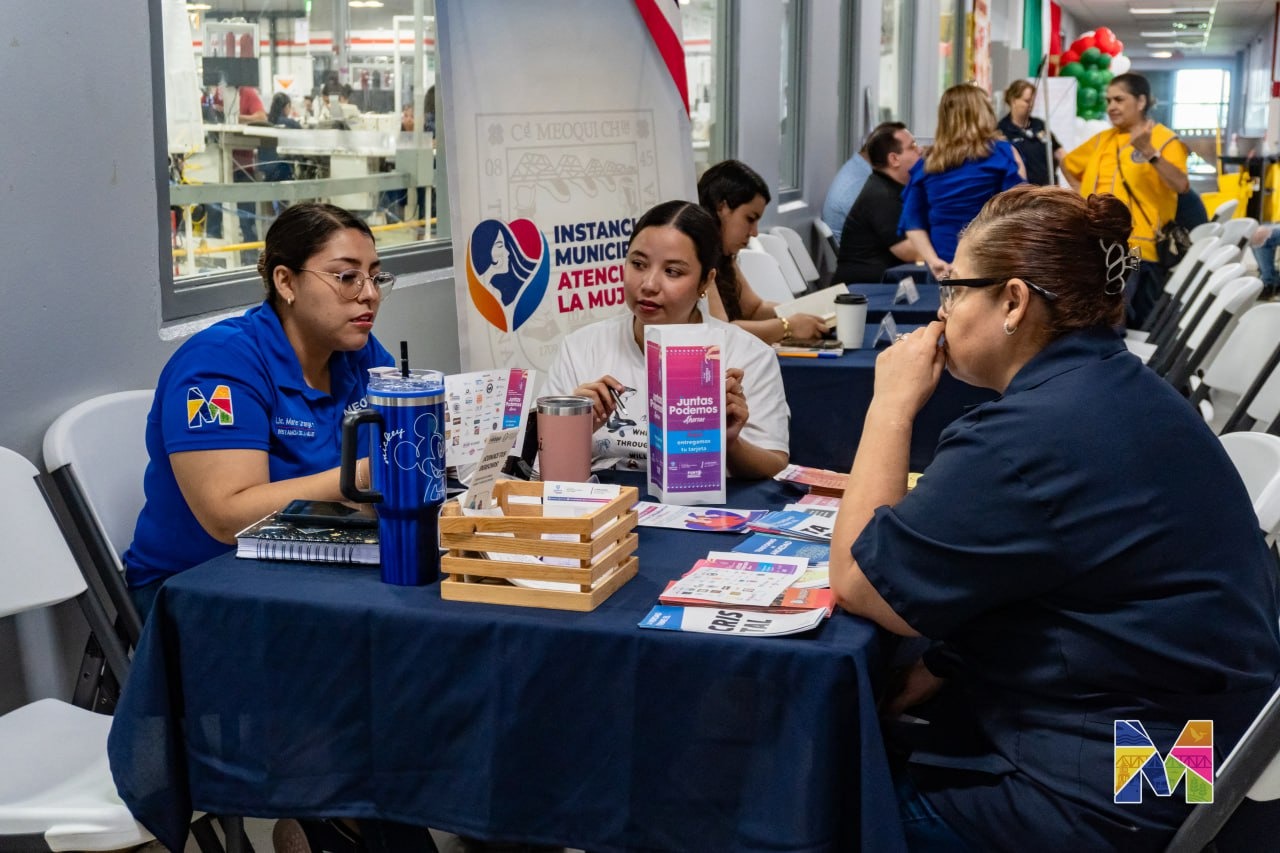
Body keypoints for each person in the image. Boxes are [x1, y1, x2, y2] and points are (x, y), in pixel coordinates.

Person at [828, 185, 1280, 851]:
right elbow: (1071, 572)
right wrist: (946, 662)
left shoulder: (1031, 434)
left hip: (1127, 787)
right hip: (1203, 756)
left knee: (834, 801)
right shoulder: (1119, 388)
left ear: (1012, 300)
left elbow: (859, 577)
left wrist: (890, 405)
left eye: (955, 288)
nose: (944, 309)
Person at [122, 203, 396, 620]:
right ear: (285, 281)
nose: (369, 294)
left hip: (312, 558)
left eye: (375, 277)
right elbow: (227, 518)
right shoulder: (218, 364)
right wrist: (363, 476)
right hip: (200, 587)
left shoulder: (356, 354)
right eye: (347, 277)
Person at [544, 199, 790, 478]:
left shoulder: (748, 355)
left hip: (706, 513)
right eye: (638, 264)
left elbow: (774, 462)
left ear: (705, 282)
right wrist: (574, 428)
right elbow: (539, 467)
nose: (648, 285)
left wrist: (729, 441)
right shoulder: (581, 348)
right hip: (605, 512)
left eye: (672, 271)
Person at [1062, 72, 1189, 327]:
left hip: (1135, 247)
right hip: (1096, 243)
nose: (1111, 107)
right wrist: (1080, 194)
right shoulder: (1103, 140)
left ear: (1141, 101)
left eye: (1119, 100)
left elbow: (1181, 185)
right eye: (1108, 101)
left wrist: (1149, 152)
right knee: (1093, 316)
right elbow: (1068, 163)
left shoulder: (1163, 139)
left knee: (1113, 320)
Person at [900, 84, 1026, 280]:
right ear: (983, 113)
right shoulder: (1002, 155)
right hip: (989, 262)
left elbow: (913, 223)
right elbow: (1020, 212)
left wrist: (933, 261)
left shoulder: (926, 164)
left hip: (943, 267)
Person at [697, 160, 828, 344]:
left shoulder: (724, 256)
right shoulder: (697, 255)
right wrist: (787, 326)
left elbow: (755, 309)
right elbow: (721, 330)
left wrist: (809, 312)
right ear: (722, 207)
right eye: (750, 219)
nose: (754, 232)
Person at [834, 122, 923, 283]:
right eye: (913, 147)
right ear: (894, 159)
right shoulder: (881, 195)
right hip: (862, 291)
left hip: (884, 282)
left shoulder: (890, 187)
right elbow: (911, 251)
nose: (920, 151)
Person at [997, 79, 1063, 186]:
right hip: (1023, 193)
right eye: (1027, 101)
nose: (1031, 105)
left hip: (1047, 189)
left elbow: (1058, 151)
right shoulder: (1002, 130)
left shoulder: (1039, 125)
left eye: (1033, 101)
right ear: (1013, 101)